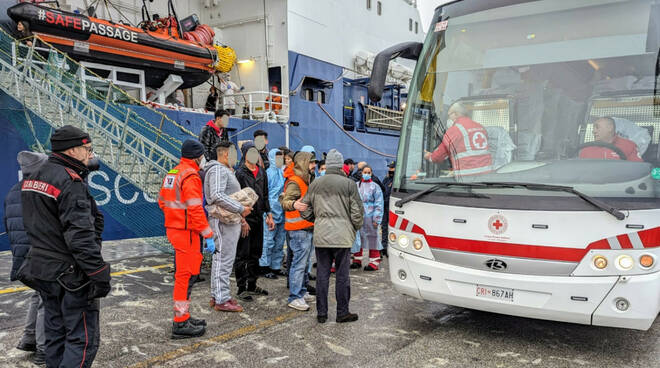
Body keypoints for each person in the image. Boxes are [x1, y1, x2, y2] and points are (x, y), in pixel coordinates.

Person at [19, 126, 110, 367]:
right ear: (72, 150)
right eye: (87, 149)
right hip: (70, 274)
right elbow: (80, 236)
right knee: (82, 340)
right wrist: (98, 273)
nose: (90, 155)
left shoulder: (34, 175)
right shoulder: (70, 181)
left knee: (55, 335)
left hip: (42, 269)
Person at [299, 149, 364, 323]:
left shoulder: (316, 184)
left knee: (322, 275)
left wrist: (318, 220)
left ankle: (321, 313)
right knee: (342, 276)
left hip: (322, 236)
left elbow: (304, 210)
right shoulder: (349, 184)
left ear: (327, 165)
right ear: (340, 165)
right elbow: (357, 212)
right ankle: (342, 312)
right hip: (342, 237)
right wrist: (354, 227)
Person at [158, 139, 214, 339]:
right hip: (187, 232)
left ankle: (184, 316)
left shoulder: (173, 173)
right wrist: (207, 233)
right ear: (198, 156)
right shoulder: (191, 175)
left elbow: (162, 202)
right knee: (185, 277)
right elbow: (195, 208)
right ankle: (180, 322)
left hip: (175, 229)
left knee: (187, 275)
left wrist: (175, 218)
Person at [5, 151, 48, 365]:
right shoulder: (40, 192)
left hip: (22, 258)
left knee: (37, 296)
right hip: (38, 255)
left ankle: (29, 338)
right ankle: (43, 351)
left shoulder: (14, 191)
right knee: (47, 301)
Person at [204, 141, 252, 313]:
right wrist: (240, 209)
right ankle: (221, 299)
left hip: (229, 220)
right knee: (222, 260)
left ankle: (218, 295)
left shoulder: (224, 170)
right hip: (222, 221)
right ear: (226, 154)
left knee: (224, 259)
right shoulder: (218, 169)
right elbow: (216, 195)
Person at [235, 142, 275, 301]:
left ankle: (252, 284)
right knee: (242, 254)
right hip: (246, 218)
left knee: (256, 252)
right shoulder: (240, 173)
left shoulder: (262, 173)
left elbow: (264, 195)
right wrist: (242, 219)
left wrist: (269, 214)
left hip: (259, 217)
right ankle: (241, 288)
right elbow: (236, 199)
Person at [280, 151, 316, 311]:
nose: (314, 165)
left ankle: (301, 291)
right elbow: (285, 201)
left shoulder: (305, 180)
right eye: (311, 162)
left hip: (305, 227)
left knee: (304, 262)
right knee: (299, 264)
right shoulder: (296, 182)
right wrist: (294, 204)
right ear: (303, 163)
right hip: (298, 229)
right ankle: (295, 297)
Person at [424, 102, 493, 176]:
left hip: (468, 177)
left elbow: (438, 156)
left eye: (449, 115)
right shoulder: (480, 127)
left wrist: (429, 156)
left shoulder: (455, 130)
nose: (448, 118)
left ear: (455, 114)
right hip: (487, 175)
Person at [351, 165, 384, 271]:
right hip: (358, 216)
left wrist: (376, 219)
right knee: (357, 238)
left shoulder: (375, 186)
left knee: (372, 238)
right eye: (365, 172)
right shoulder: (356, 186)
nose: (366, 174)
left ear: (371, 173)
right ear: (361, 173)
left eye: (368, 172)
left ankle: (374, 262)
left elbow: (379, 203)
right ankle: (357, 260)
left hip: (370, 216)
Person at [260, 149, 286, 279]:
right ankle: (264, 266)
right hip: (270, 212)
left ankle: (275, 266)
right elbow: (265, 195)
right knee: (268, 241)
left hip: (282, 211)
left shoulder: (282, 173)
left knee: (279, 241)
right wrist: (268, 212)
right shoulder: (268, 174)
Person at [579, 117, 643, 162]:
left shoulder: (629, 146)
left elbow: (637, 170)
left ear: (610, 128)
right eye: (593, 128)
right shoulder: (585, 150)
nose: (594, 131)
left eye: (597, 127)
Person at [381, 161, 395, 255]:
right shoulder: (386, 179)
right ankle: (384, 246)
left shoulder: (396, 180)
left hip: (392, 207)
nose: (390, 169)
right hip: (385, 206)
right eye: (389, 167)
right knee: (384, 226)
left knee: (393, 227)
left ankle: (392, 246)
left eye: (392, 168)